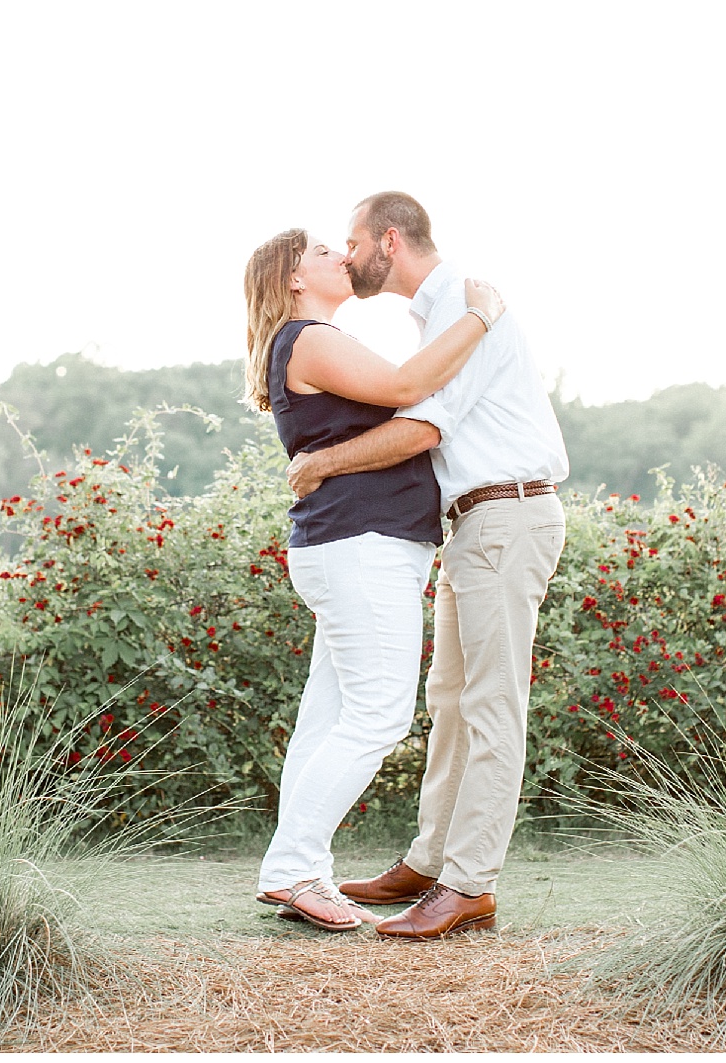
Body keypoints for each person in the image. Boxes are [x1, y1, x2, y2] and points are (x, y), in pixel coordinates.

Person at [289, 192, 569, 939]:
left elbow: (421, 426)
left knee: (490, 703)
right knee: (449, 696)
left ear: (389, 238)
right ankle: (429, 857)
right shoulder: (437, 314)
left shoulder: (465, 307)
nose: (345, 256)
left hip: (506, 512)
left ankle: (469, 882)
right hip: (471, 522)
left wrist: (320, 464)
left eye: (351, 242)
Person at [242, 226, 507, 931]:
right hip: (361, 547)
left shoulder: (307, 339)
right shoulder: (307, 337)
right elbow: (408, 386)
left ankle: (299, 868)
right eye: (324, 252)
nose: (341, 257)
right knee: (378, 714)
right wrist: (481, 316)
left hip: (347, 547)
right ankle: (292, 868)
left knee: (328, 716)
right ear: (295, 278)